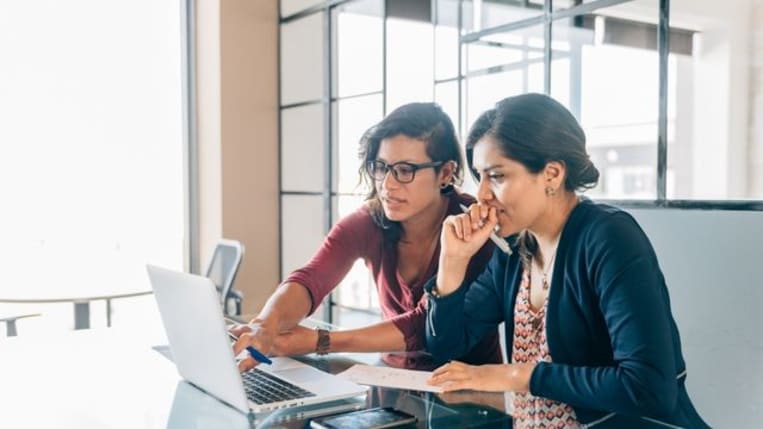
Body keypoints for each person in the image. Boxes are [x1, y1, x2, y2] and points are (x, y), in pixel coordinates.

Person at [425, 94, 710, 428]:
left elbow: (648, 387)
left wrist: (520, 375)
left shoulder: (609, 238)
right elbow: (445, 345)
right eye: (479, 176)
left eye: (497, 176)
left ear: (552, 174)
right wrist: (452, 262)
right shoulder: (514, 249)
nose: (482, 194)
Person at [232, 102, 502, 371]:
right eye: (382, 167)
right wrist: (265, 325)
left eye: (405, 170)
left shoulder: (473, 227)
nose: (387, 184)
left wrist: (321, 341)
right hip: (392, 380)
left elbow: (423, 326)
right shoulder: (371, 220)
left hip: (468, 395)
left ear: (445, 173)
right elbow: (311, 278)